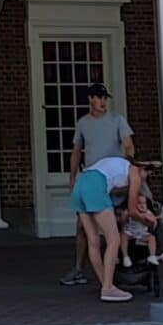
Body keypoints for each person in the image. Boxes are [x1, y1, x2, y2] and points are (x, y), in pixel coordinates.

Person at [60, 84, 134, 286]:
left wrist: (127, 163)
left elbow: (128, 145)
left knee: (117, 225)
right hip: (91, 181)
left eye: (105, 98)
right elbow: (76, 151)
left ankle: (117, 270)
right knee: (83, 228)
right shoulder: (83, 123)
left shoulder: (117, 120)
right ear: (90, 99)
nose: (103, 102)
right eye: (99, 97)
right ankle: (78, 269)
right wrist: (72, 177)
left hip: (114, 181)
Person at [70, 152, 134, 302]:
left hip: (81, 183)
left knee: (93, 241)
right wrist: (147, 218)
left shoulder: (113, 165)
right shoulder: (134, 170)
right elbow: (133, 208)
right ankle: (108, 288)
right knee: (114, 240)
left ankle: (106, 284)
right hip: (95, 185)